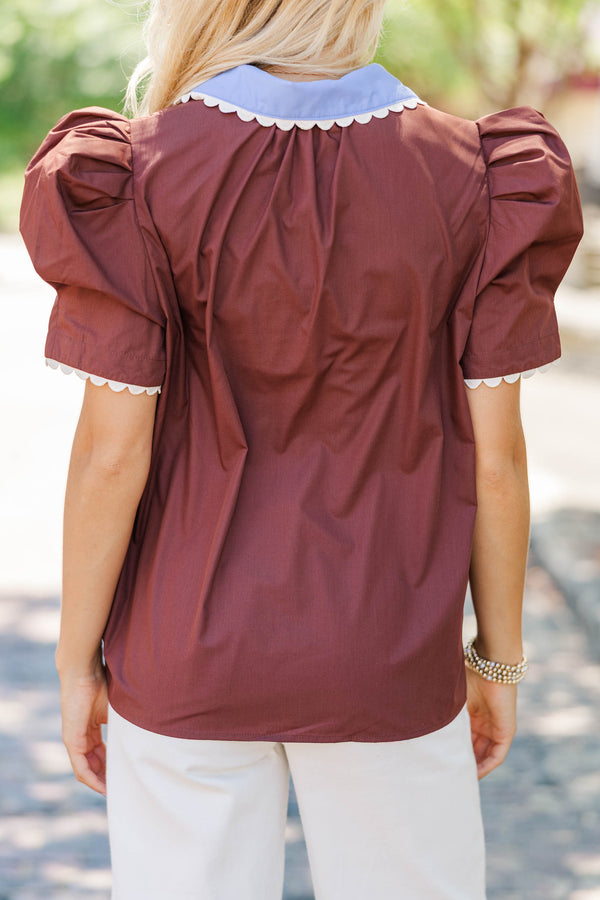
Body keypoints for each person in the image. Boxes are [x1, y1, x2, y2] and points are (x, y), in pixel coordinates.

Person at [19, 0, 583, 897]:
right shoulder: (479, 175)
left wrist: (77, 661)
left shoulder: (136, 171)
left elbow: (111, 458)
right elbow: (497, 458)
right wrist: (497, 660)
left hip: (183, 650)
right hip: (390, 656)